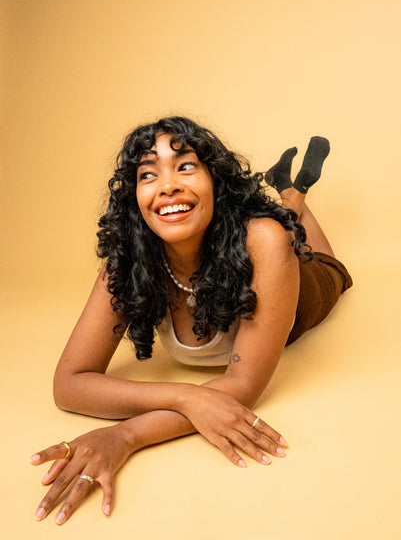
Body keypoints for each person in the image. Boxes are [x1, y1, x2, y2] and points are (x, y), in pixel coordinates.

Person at [30, 116, 352, 525]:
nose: (167, 186)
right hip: (262, 254)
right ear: (134, 197)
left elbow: (242, 386)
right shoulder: (127, 262)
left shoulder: (264, 241)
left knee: (328, 265)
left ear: (215, 181)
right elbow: (69, 384)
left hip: (302, 289)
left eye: (185, 166)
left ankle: (292, 196)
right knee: (285, 232)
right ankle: (288, 192)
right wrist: (188, 396)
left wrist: (125, 434)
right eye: (149, 174)